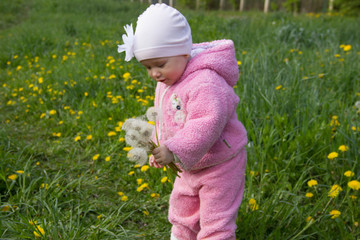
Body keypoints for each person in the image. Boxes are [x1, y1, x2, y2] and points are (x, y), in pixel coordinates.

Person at [118, 4, 247, 240]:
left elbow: (206, 123)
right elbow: (165, 118)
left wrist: (173, 149)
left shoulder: (206, 82)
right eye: (147, 67)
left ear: (184, 53)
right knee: (182, 210)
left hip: (220, 164)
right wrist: (160, 147)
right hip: (188, 164)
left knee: (215, 218)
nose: (154, 73)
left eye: (160, 64)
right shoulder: (168, 80)